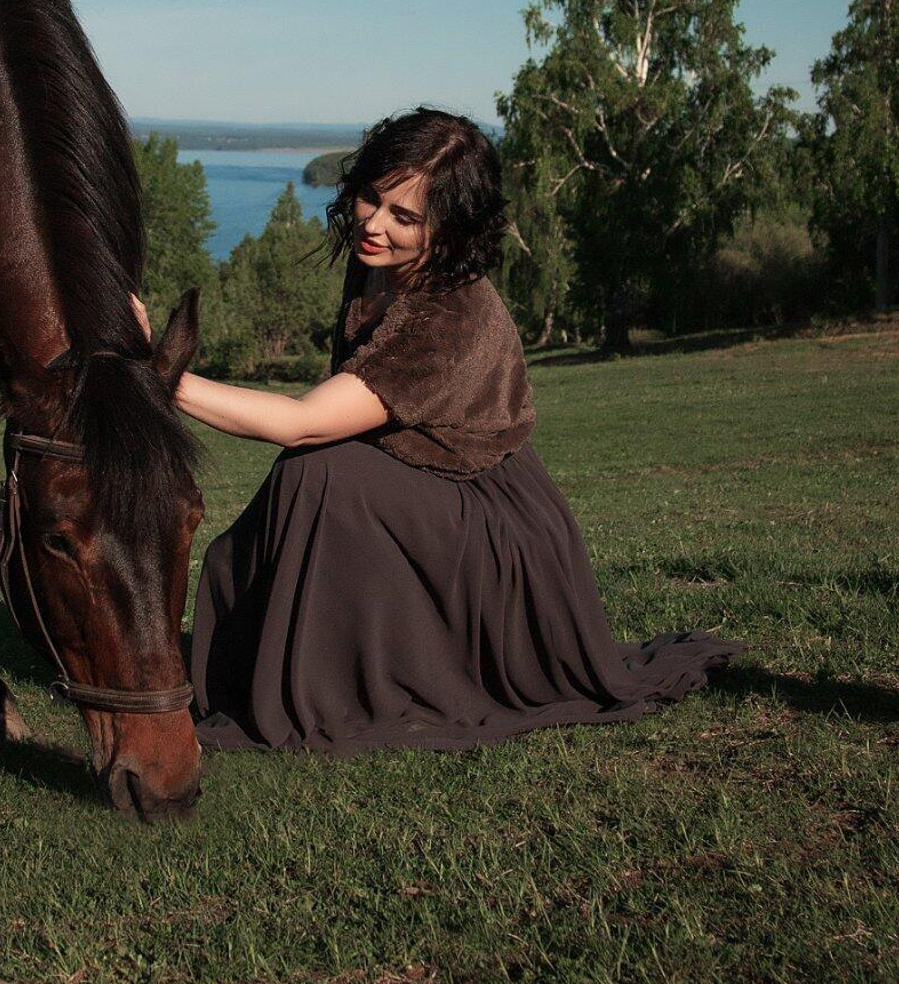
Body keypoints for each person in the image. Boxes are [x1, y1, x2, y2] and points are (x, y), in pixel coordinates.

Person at [137, 107, 742, 756]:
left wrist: (159, 375)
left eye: (405, 216)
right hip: (422, 478)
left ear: (449, 231)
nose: (373, 223)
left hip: (493, 519)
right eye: (371, 198)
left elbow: (304, 421)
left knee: (316, 471)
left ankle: (323, 686)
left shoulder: (445, 318)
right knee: (311, 475)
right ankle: (269, 668)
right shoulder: (377, 261)